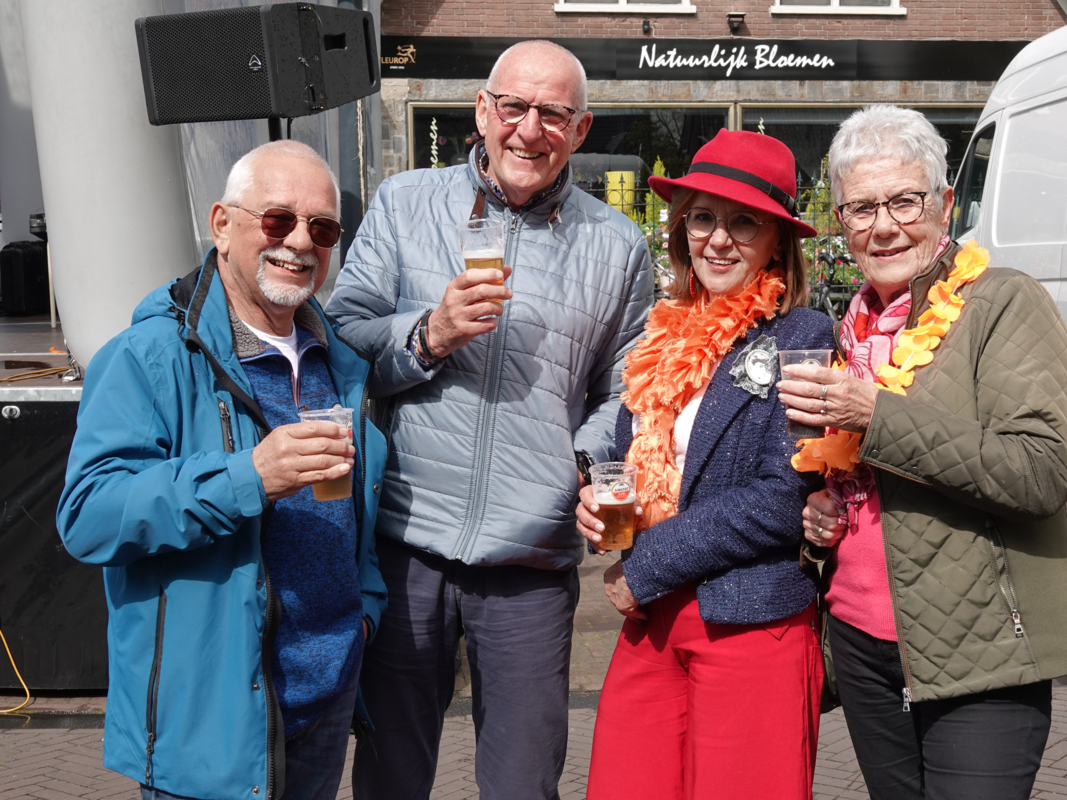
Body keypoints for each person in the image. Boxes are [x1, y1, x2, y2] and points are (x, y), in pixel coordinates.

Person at [325, 40, 653, 800]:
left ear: (580, 129)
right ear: (482, 111)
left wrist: (582, 466)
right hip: (406, 541)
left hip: (529, 560)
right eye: (513, 107)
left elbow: (626, 390)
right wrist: (428, 334)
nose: (529, 130)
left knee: (523, 782)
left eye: (554, 114)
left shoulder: (617, 243)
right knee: (390, 776)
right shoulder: (405, 202)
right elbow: (342, 340)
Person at [777, 105, 1067, 800]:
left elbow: (1043, 472)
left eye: (905, 200)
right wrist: (823, 514)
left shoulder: (1003, 302)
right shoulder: (850, 326)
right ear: (841, 221)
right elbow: (863, 480)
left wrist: (878, 417)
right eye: (862, 208)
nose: (884, 226)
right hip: (862, 642)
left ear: (946, 203)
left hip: (979, 646)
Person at [56, 140, 388, 800]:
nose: (301, 241)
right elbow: (88, 516)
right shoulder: (149, 355)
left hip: (324, 704)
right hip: (212, 723)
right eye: (278, 219)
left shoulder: (338, 360)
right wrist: (248, 478)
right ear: (222, 224)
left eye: (322, 228)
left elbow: (359, 510)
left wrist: (363, 614)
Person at [576, 129, 835, 800]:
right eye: (702, 218)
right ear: (681, 229)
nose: (718, 239)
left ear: (777, 240)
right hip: (654, 618)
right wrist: (607, 509)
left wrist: (645, 565)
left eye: (743, 222)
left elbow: (783, 497)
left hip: (749, 619)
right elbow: (645, 464)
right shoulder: (659, 335)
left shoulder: (802, 338)